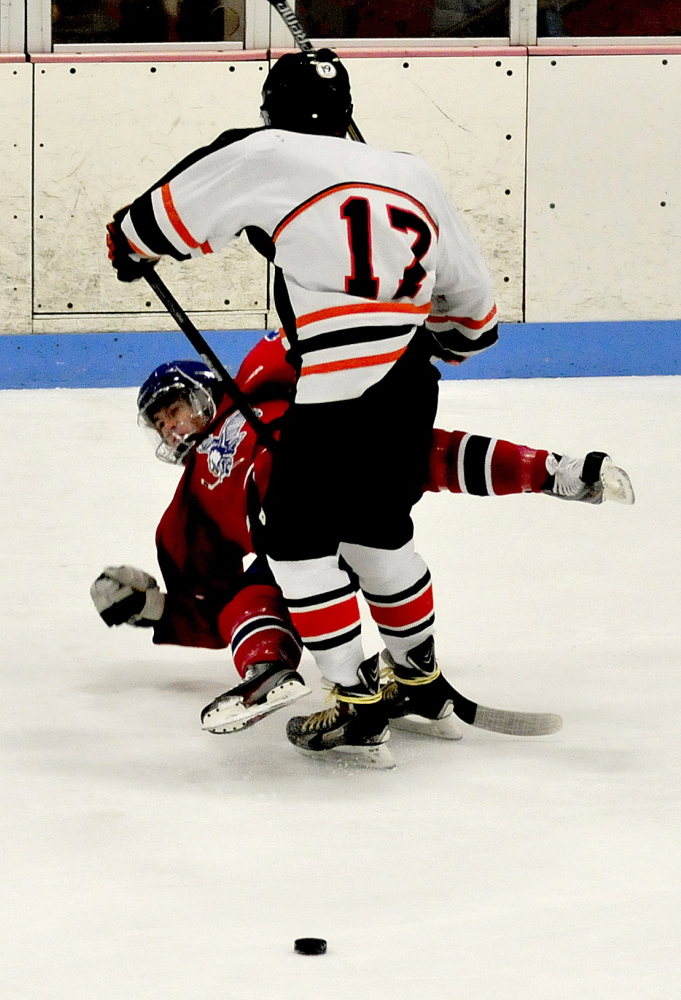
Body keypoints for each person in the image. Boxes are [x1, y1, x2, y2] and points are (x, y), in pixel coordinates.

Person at [104, 49, 633, 768]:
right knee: (380, 533)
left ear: (270, 113)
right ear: (345, 114)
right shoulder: (413, 172)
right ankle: (417, 681)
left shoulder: (266, 151)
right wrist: (425, 331)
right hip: (411, 378)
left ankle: (357, 703)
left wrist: (128, 242)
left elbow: (155, 222)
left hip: (336, 380)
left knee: (293, 542)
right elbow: (474, 321)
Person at [91, 333, 634, 752]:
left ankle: (555, 472)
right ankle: (267, 671)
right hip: (298, 542)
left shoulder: (249, 389)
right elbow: (209, 597)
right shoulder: (189, 502)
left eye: (175, 408)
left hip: (326, 465)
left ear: (204, 391)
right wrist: (155, 608)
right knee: (249, 594)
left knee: (418, 453)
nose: (171, 427)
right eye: (159, 424)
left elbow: (308, 338)